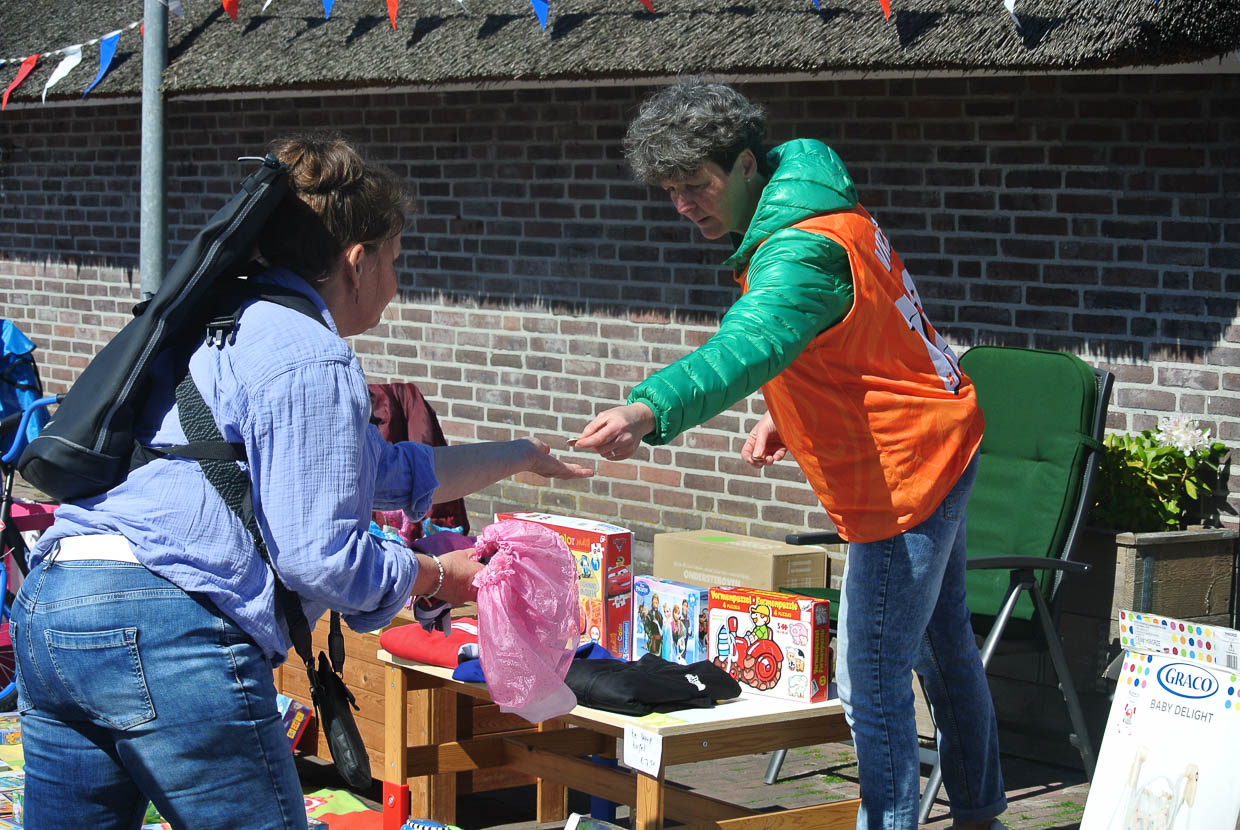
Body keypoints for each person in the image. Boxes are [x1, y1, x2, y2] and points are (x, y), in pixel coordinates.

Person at [12, 132, 593, 830]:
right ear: (357, 261)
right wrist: (438, 575)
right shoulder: (312, 356)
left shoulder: (213, 322)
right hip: (167, 625)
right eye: (395, 260)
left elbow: (387, 471)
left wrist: (523, 454)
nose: (396, 283)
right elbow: (321, 557)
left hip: (55, 607)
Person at [573, 79, 1006, 830]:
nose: (683, 206)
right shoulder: (815, 204)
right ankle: (980, 816)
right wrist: (789, 413)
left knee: (870, 682)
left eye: (696, 185)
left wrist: (648, 408)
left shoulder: (800, 248)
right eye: (670, 191)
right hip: (939, 435)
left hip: (902, 473)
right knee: (943, 650)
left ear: (746, 164)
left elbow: (752, 341)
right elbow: (855, 337)